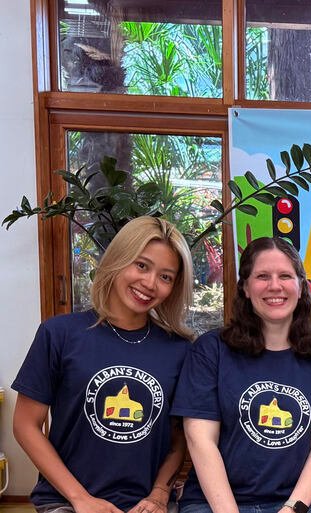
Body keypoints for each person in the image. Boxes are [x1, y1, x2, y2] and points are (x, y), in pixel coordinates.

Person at [12, 216, 195, 513]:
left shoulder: (179, 350)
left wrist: (159, 495)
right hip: (67, 502)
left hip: (147, 505)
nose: (149, 283)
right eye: (142, 265)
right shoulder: (59, 334)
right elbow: (25, 425)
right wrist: (80, 499)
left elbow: (180, 438)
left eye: (165, 277)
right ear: (117, 260)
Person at [172, 237, 311, 513]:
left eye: (285, 276)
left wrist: (291, 509)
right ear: (246, 288)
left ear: (301, 287)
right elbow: (200, 440)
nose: (275, 286)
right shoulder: (211, 351)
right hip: (213, 503)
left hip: (295, 501)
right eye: (262, 276)